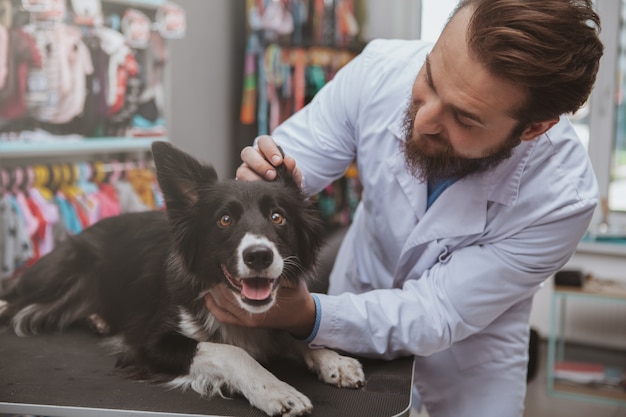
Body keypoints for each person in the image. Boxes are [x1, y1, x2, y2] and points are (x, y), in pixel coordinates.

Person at [204, 0, 604, 416]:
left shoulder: (562, 198)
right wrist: (266, 178)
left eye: (465, 119)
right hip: (354, 303)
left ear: (534, 128)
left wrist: (309, 314)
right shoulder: (379, 71)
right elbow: (291, 162)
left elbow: (436, 312)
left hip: (468, 360)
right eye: (429, 77)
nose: (424, 119)